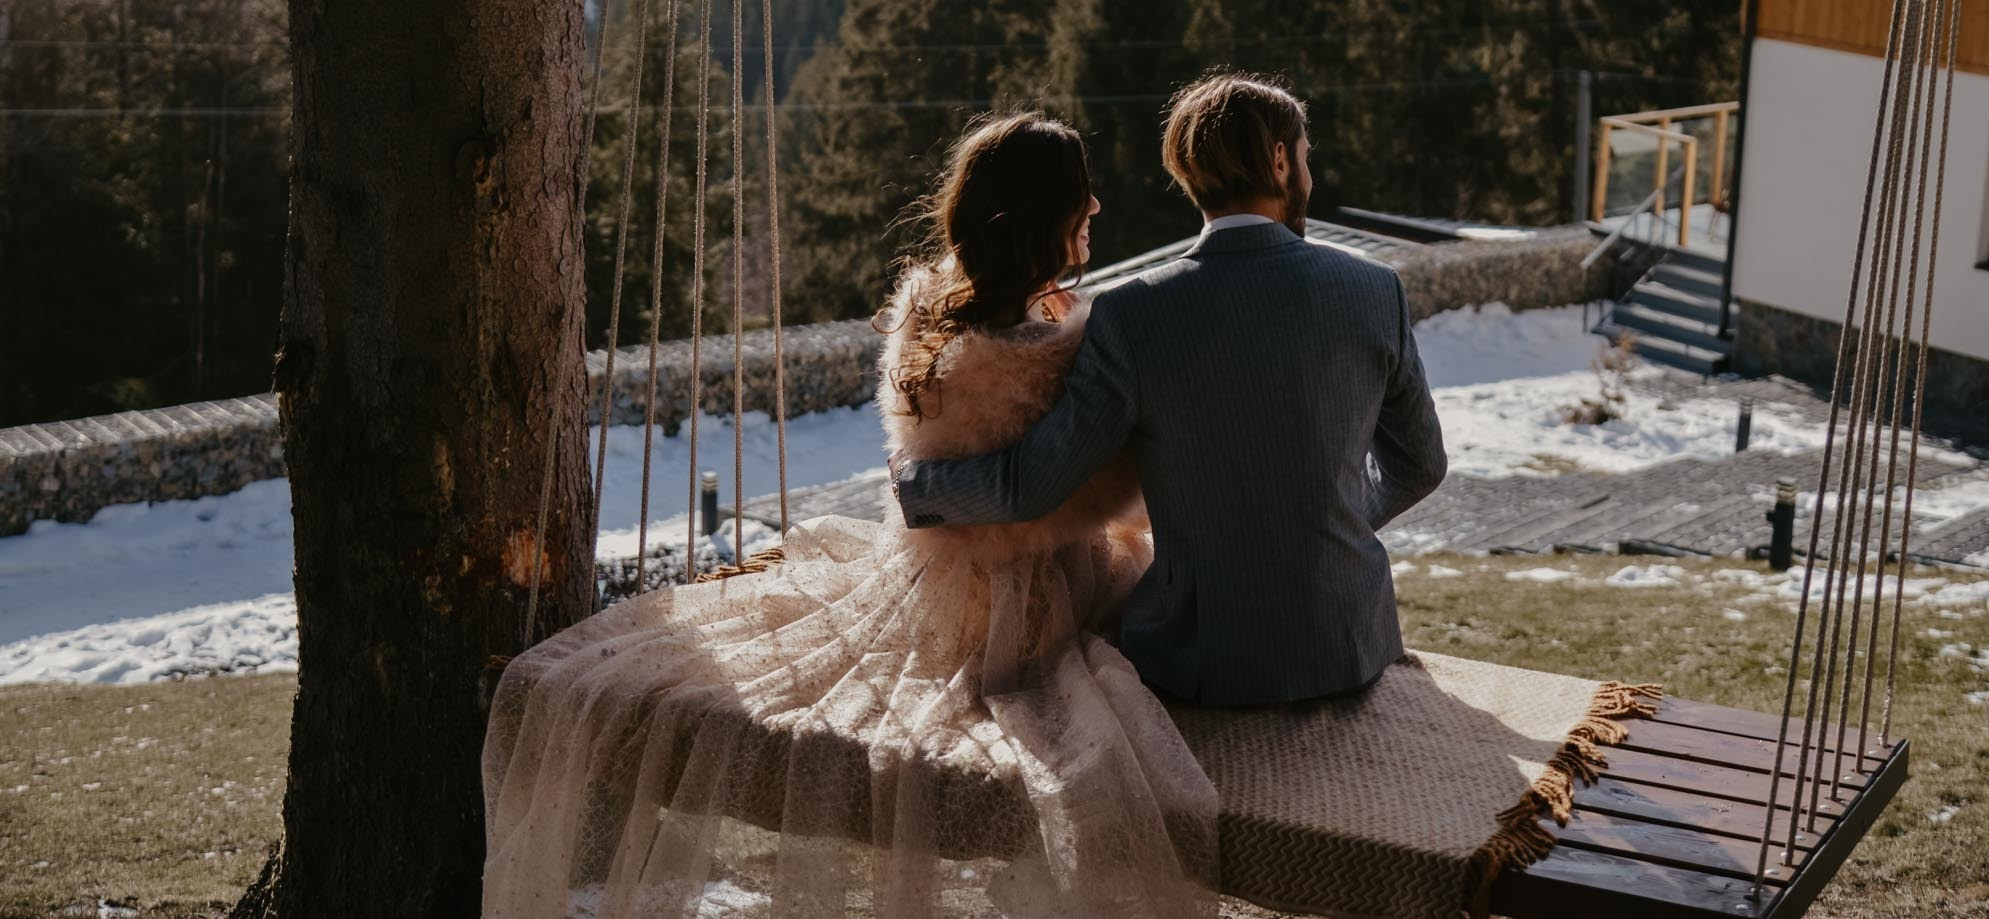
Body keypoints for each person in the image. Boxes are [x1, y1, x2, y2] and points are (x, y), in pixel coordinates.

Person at [482, 112, 1216, 919]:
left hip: (939, 585)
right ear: (1051, 215)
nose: (1098, 208)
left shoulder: (926, 313)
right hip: (1040, 599)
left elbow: (925, 463)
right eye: (1083, 195)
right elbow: (1083, 489)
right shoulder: (1071, 344)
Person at [894, 72, 1449, 705]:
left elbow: (1032, 486)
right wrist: (1324, 526)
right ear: (1277, 161)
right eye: (1305, 157)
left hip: (1200, 658)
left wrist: (916, 486)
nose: (1309, 176)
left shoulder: (1131, 314)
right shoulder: (1377, 290)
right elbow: (1421, 464)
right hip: (1350, 644)